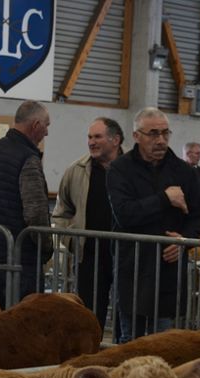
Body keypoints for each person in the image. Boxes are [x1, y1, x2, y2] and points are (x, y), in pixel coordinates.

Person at [107, 107, 200, 340]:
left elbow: (198, 216)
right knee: (130, 341)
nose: (160, 140)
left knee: (164, 342)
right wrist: (165, 198)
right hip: (132, 267)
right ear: (136, 135)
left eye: (165, 133)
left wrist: (184, 241)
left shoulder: (184, 172)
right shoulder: (120, 169)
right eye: (153, 134)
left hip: (168, 269)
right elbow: (125, 214)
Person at [52, 117, 124, 331]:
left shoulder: (133, 169)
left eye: (97, 137)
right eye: (90, 137)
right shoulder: (76, 170)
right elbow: (61, 213)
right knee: (90, 316)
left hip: (127, 254)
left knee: (125, 314)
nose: (91, 142)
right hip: (89, 255)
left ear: (116, 140)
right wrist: (72, 240)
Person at [0, 100, 54, 308]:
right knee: (24, 321)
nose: (46, 132)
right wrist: (47, 248)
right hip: (23, 258)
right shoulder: (28, 158)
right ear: (36, 125)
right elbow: (36, 213)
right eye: (46, 125)